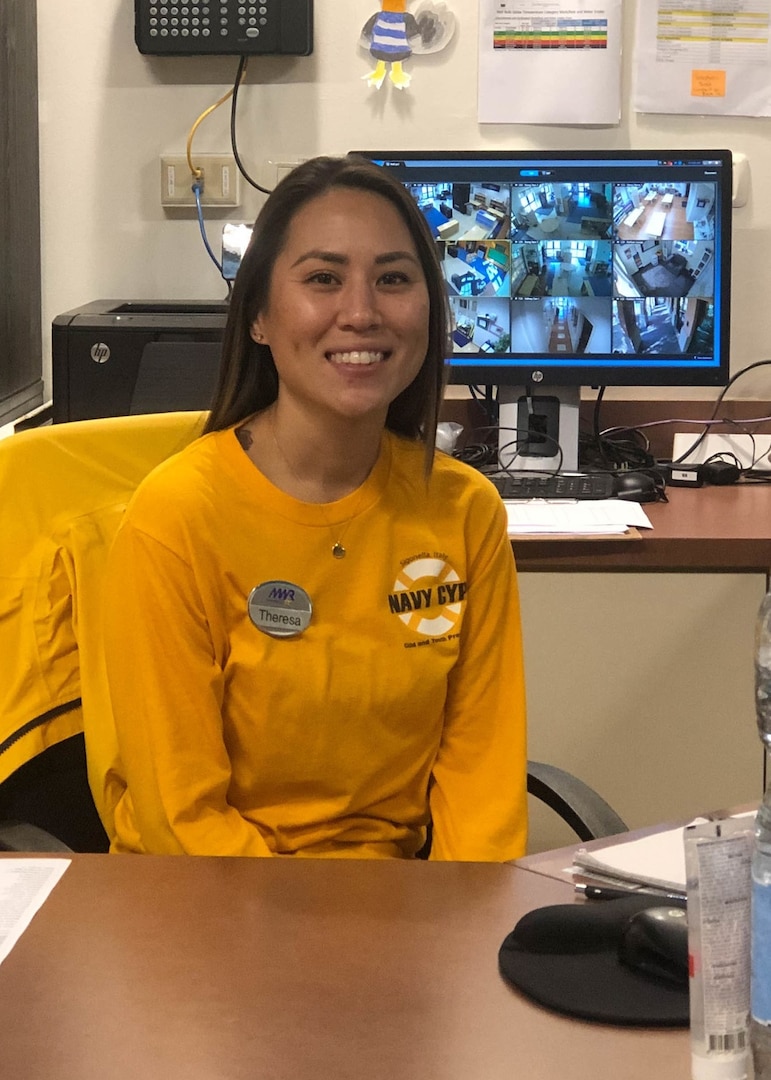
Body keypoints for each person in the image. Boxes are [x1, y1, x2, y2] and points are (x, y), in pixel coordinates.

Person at [102, 154, 527, 860]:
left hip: (403, 911)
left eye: (393, 279)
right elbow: (180, 817)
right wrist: (320, 950)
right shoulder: (177, 516)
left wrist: (464, 931)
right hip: (206, 910)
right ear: (260, 318)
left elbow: (480, 777)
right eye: (322, 279)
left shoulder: (462, 510)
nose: (360, 313)